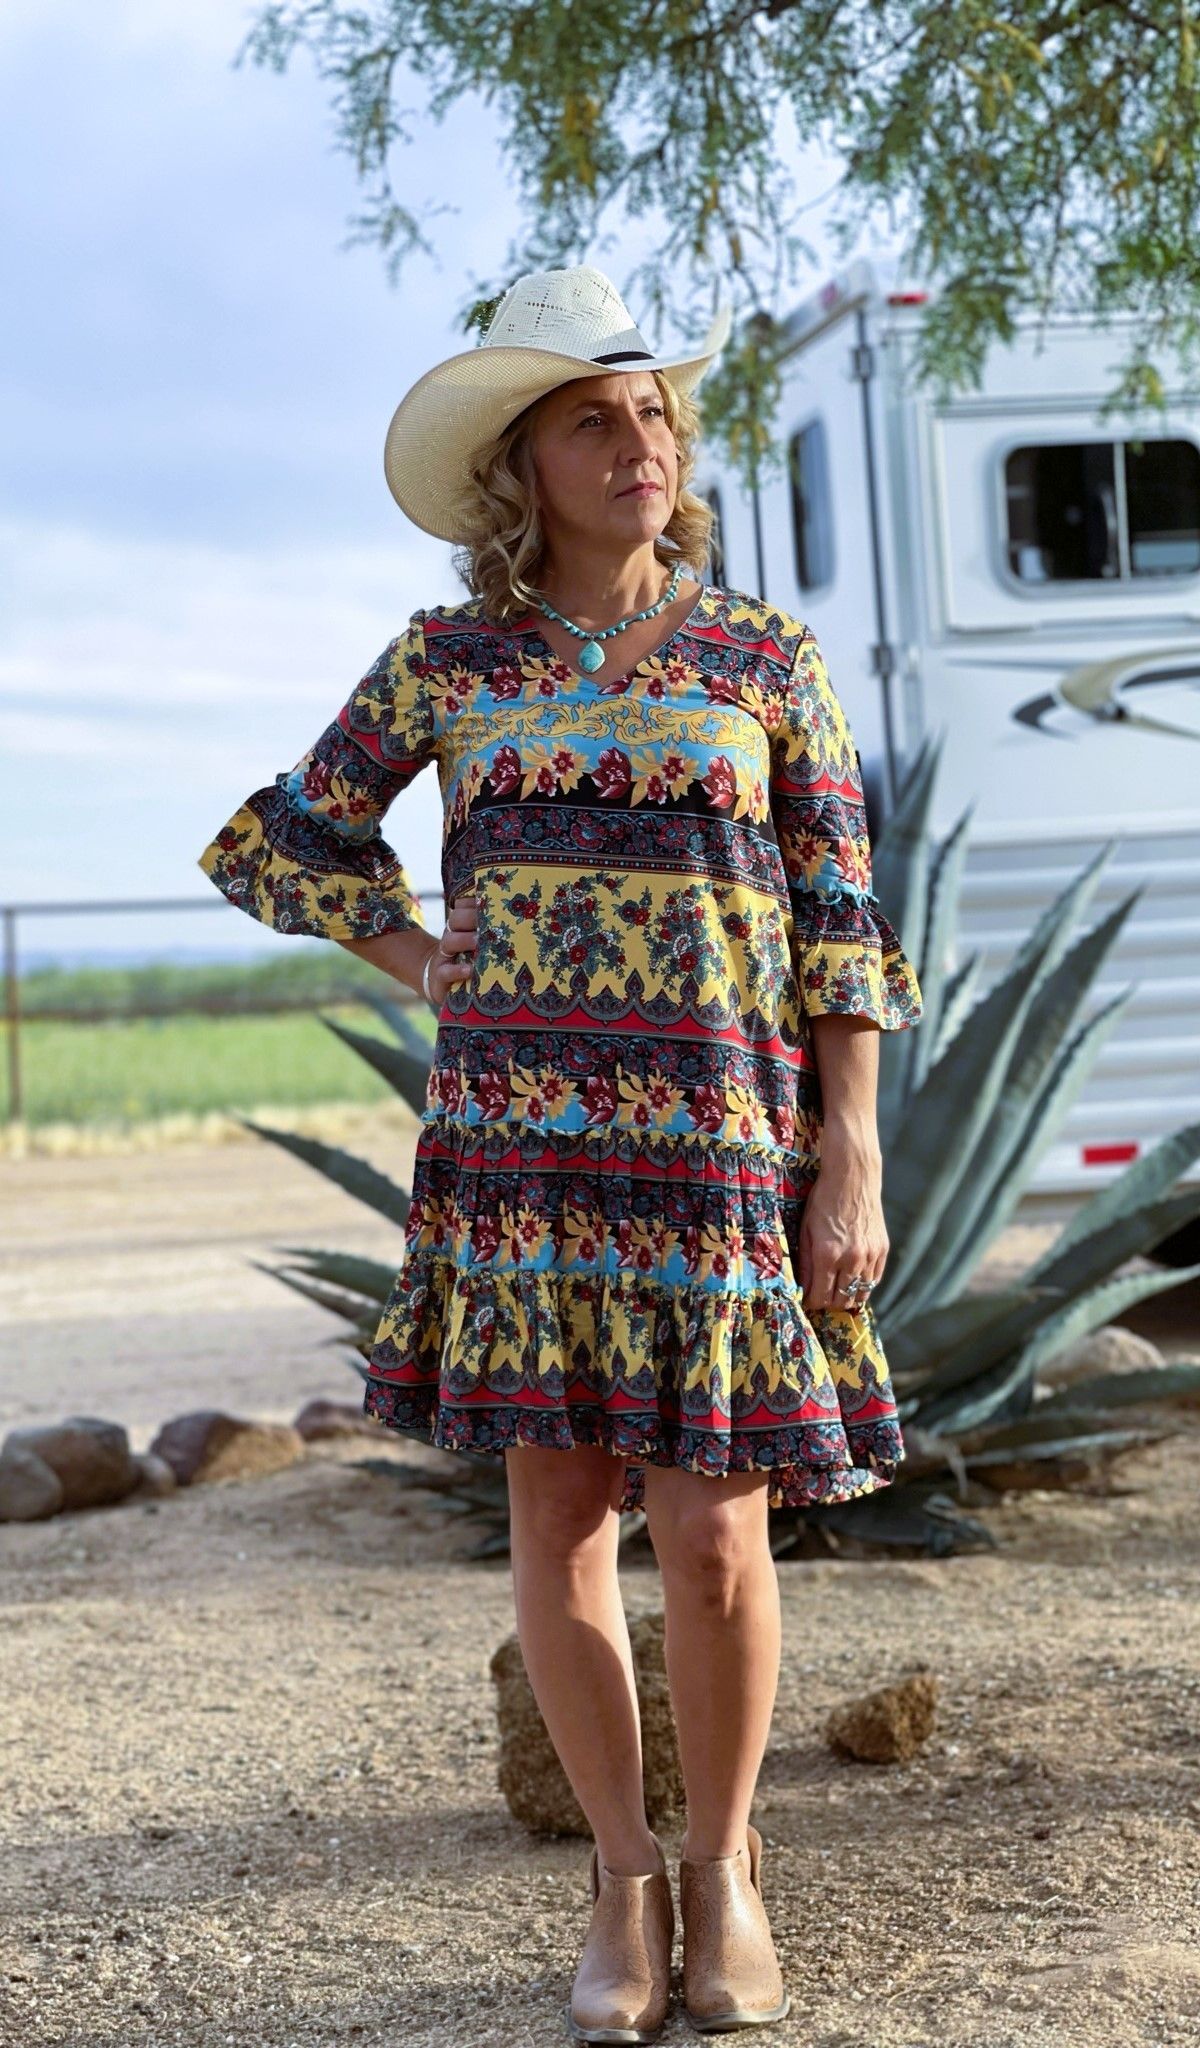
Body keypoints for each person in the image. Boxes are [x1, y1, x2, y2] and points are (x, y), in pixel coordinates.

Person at [197, 263, 924, 2042]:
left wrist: (852, 1153)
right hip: (520, 1161)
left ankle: (731, 1867)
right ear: (518, 466)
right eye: (593, 419)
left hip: (716, 1155)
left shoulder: (766, 656)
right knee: (564, 1517)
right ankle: (621, 1877)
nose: (639, 442)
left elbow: (838, 918)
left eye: (654, 411)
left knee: (719, 1543)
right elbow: (279, 841)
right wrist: (425, 961)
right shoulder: (446, 664)